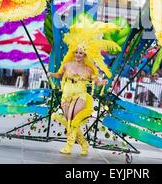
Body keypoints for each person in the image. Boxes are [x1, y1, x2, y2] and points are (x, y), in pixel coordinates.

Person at [48, 21, 121, 156]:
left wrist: (103, 82)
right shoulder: (67, 65)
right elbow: (59, 75)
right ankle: (84, 145)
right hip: (67, 94)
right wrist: (51, 74)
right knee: (70, 122)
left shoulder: (88, 70)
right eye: (76, 52)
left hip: (80, 95)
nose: (78, 55)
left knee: (73, 120)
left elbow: (97, 82)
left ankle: (68, 147)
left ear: (85, 55)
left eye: (81, 53)